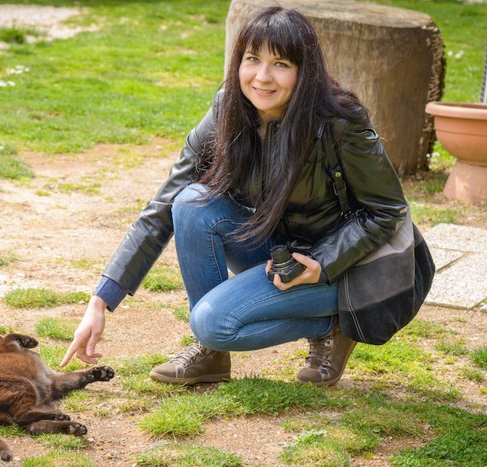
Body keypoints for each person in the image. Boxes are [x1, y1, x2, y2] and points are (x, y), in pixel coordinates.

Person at [60, 6, 407, 387]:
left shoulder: (339, 122)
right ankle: (210, 355)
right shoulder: (228, 109)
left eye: (280, 64)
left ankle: (335, 324)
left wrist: (321, 263)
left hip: (341, 269)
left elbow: (387, 210)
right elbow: (164, 203)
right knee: (191, 202)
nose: (262, 77)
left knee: (212, 322)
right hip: (281, 254)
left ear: (304, 70)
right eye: (252, 59)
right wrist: (100, 301)